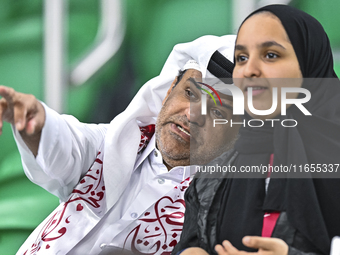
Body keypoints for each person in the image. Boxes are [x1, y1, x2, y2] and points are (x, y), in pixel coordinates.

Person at [0, 35, 240, 255]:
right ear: (168, 92)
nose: (192, 115)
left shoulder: (223, 210)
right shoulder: (116, 142)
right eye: (190, 94)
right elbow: (66, 144)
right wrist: (38, 123)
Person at [173, 4, 340, 255]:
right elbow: (191, 242)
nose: (249, 70)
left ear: (308, 63)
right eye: (241, 58)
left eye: (271, 55)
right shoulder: (218, 167)